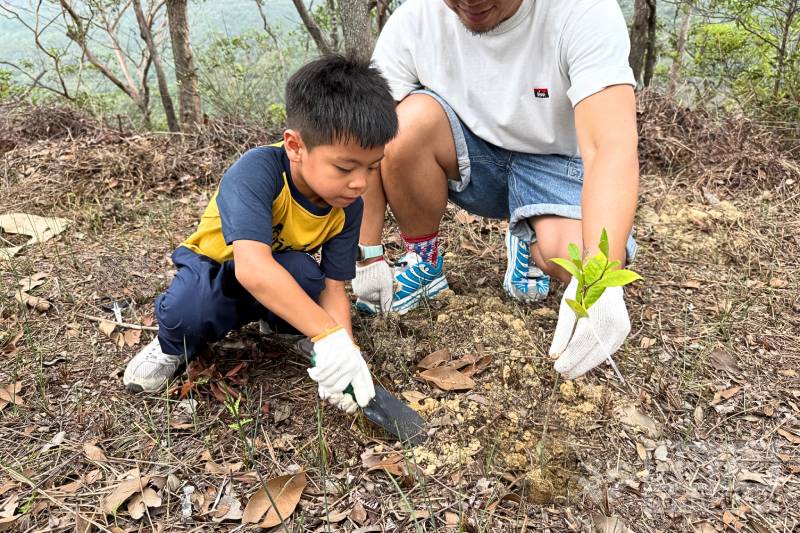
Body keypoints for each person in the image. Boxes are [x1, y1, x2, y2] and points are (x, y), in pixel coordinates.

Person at [352, 0, 640, 380]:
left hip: (554, 162)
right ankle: (423, 262)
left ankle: (530, 231)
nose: (471, 3)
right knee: (401, 128)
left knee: (565, 256)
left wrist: (599, 277)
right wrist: (367, 254)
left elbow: (610, 147)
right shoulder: (416, 20)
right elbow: (364, 142)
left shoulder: (582, 11)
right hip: (471, 150)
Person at [123, 55, 399, 412]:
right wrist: (327, 335)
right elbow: (251, 267)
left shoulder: (348, 206)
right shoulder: (257, 172)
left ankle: (282, 327)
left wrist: (347, 352)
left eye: (371, 167)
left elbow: (334, 289)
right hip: (217, 269)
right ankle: (172, 345)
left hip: (277, 275)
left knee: (306, 275)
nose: (360, 182)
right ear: (295, 146)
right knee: (188, 307)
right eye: (344, 167)